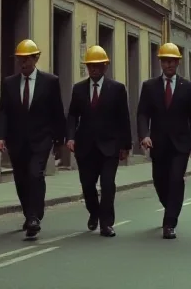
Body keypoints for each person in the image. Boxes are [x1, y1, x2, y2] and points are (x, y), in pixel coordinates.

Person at [0, 39, 66, 240]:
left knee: (35, 174)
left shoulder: (50, 82)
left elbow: (57, 111)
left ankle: (35, 216)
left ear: (36, 59)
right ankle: (29, 213)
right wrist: (0, 136)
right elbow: (4, 112)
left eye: (27, 59)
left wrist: (59, 139)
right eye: (20, 59)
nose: (23, 63)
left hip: (41, 139)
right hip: (17, 140)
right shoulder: (9, 83)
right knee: (20, 178)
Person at [137, 42, 191, 239]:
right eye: (165, 61)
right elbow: (142, 114)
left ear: (178, 63)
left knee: (175, 179)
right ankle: (171, 205)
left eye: (172, 61)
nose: (169, 65)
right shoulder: (149, 87)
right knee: (160, 181)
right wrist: (144, 135)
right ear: (160, 63)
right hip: (158, 143)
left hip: (181, 144)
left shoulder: (188, 87)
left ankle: (169, 222)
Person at [66, 45, 131, 237]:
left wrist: (126, 146)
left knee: (108, 184)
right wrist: (70, 137)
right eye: (90, 65)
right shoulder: (78, 89)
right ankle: (94, 212)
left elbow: (123, 118)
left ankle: (106, 223)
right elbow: (72, 116)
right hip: (85, 147)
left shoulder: (117, 89)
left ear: (105, 66)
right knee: (87, 185)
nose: (93, 69)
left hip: (109, 147)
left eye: (97, 65)